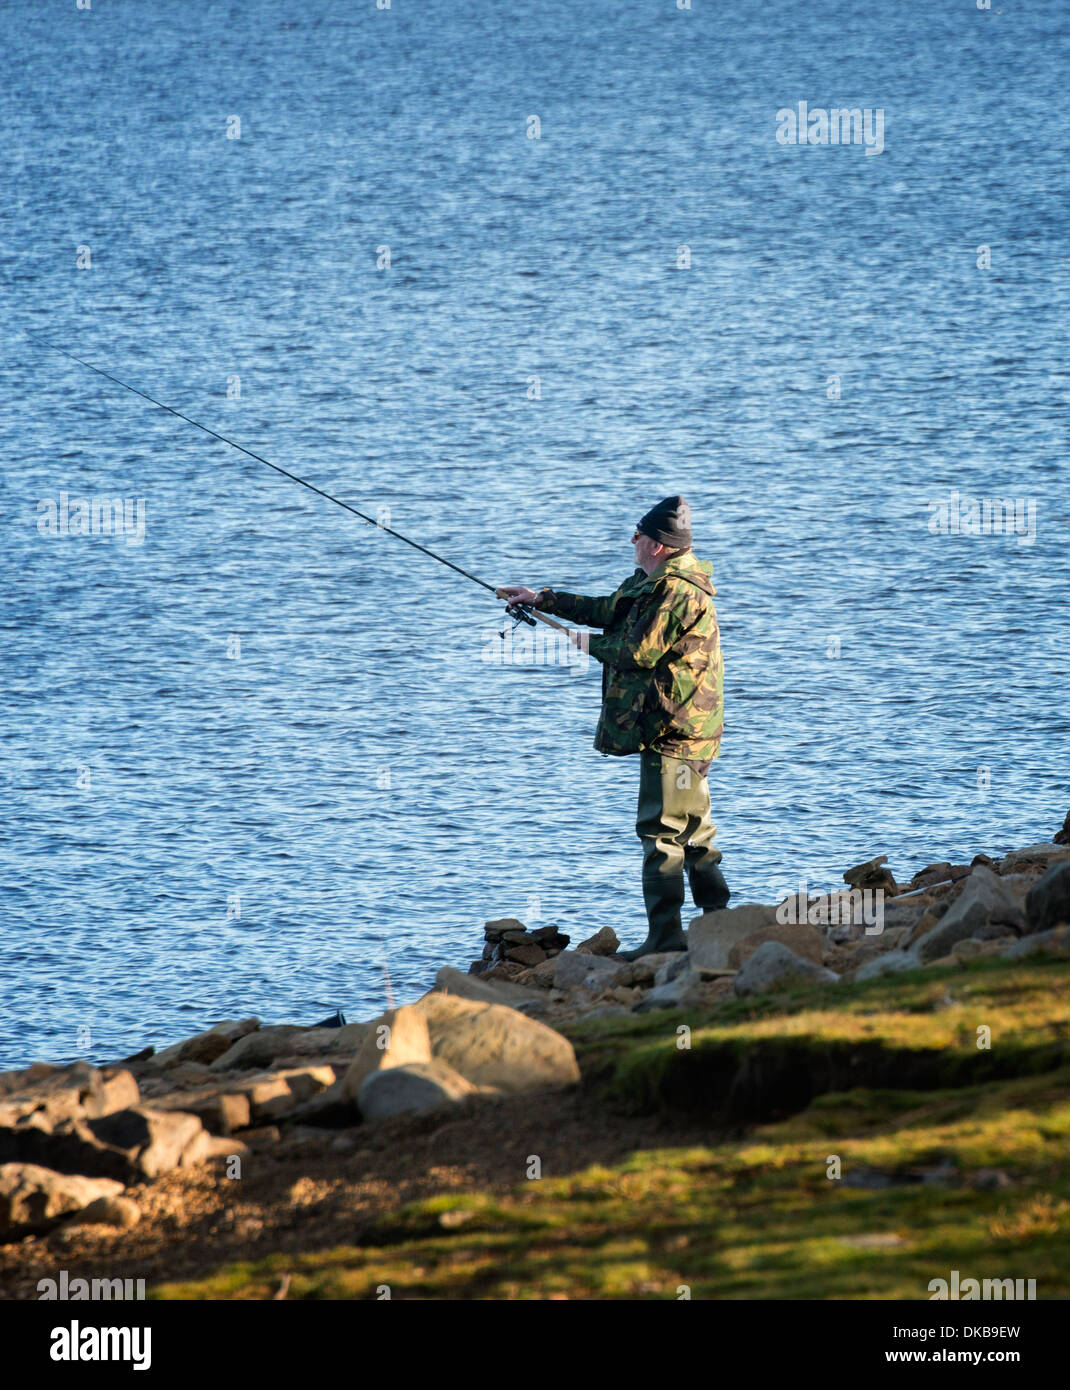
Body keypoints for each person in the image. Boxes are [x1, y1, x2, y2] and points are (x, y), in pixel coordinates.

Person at [498, 496, 729, 960]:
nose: (633, 540)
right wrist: (543, 600)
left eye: (639, 534)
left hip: (677, 732)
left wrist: (583, 644)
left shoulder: (679, 592)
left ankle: (668, 939)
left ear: (659, 545)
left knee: (663, 832)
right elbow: (609, 610)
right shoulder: (653, 582)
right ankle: (720, 925)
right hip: (679, 726)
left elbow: (637, 652)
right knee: (693, 830)